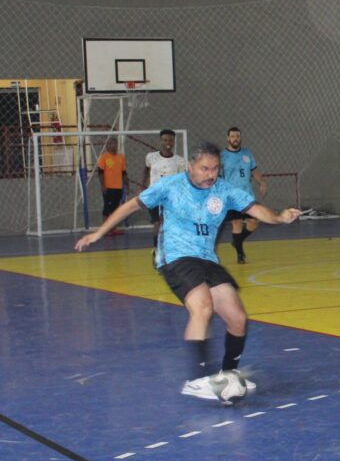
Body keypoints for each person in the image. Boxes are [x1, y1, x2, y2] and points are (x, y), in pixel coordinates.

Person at [75, 142, 301, 402]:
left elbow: (255, 209)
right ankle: (197, 380)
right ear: (190, 166)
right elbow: (131, 206)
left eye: (215, 169)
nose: (210, 174)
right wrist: (99, 233)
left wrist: (280, 217)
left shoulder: (224, 190)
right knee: (202, 307)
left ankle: (227, 375)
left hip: (207, 258)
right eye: (205, 168)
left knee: (237, 317)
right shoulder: (171, 186)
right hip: (176, 256)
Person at [221, 127, 267, 264]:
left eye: (238, 136)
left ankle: (237, 241)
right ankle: (240, 254)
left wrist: (262, 182)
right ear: (228, 138)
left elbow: (254, 170)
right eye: (233, 136)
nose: (235, 138)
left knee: (253, 223)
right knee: (237, 222)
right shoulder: (222, 155)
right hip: (231, 197)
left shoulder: (247, 153)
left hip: (247, 195)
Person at [143, 129, 186, 250]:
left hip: (170, 197)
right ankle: (157, 248)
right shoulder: (151, 157)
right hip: (154, 195)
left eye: (171, 140)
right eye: (165, 139)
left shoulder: (180, 161)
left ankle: (169, 248)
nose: (168, 142)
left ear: (174, 142)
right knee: (157, 223)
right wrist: (143, 187)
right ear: (161, 141)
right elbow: (146, 170)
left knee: (169, 224)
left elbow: (182, 180)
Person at [96, 139, 127, 236]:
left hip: (118, 188)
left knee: (115, 209)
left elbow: (124, 173)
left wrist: (127, 184)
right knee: (107, 208)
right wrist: (103, 186)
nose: (112, 145)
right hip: (108, 188)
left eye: (114, 143)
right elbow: (100, 173)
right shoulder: (104, 157)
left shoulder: (121, 157)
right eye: (109, 143)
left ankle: (113, 229)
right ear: (107, 146)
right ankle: (105, 230)